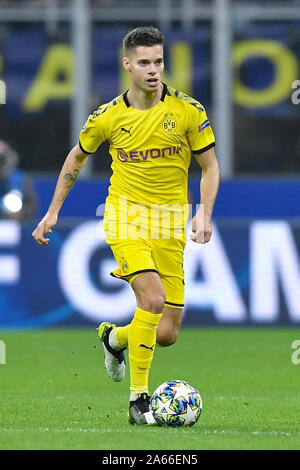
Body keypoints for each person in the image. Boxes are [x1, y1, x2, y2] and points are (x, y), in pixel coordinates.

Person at [32, 26, 220, 425]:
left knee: (166, 332)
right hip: (125, 217)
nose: (154, 70)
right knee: (150, 300)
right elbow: (76, 159)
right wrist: (52, 211)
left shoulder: (189, 110)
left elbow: (209, 166)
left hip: (171, 222)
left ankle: (114, 338)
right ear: (127, 65)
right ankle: (139, 401)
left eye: (159, 61)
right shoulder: (108, 116)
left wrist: (204, 212)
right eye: (145, 63)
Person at [0, 140, 36, 221]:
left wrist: (22, 213)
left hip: (16, 227)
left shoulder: (21, 178)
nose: (1, 163)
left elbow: (32, 206)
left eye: (2, 158)